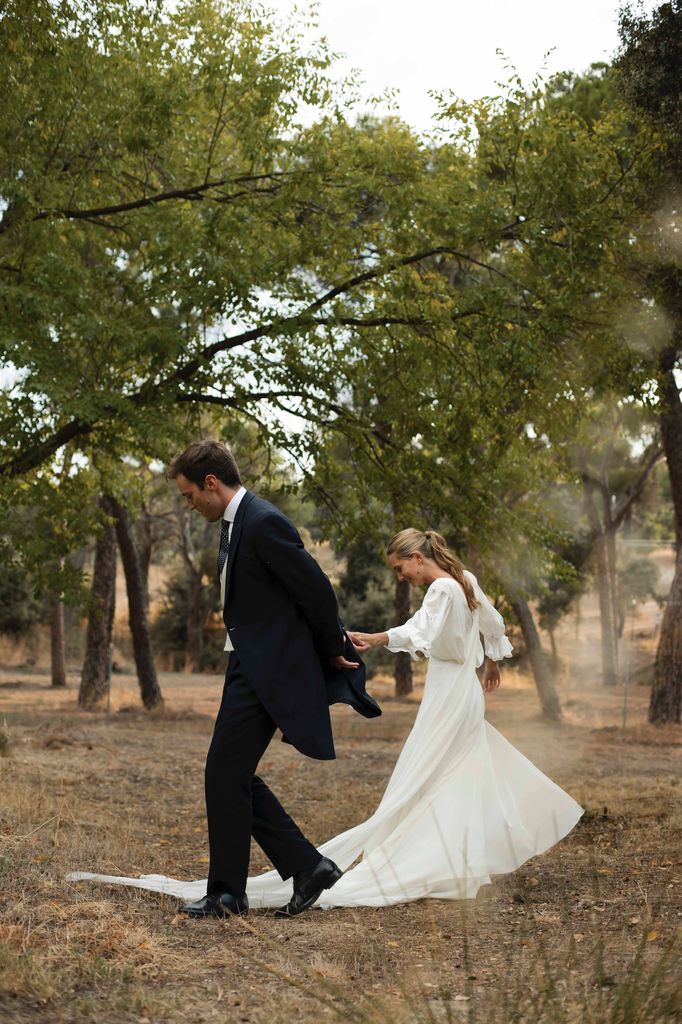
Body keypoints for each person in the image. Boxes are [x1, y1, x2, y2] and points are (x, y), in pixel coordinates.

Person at [69, 526, 582, 910]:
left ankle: (443, 858)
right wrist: (488, 661)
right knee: (451, 772)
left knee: (422, 777)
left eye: (400, 568)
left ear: (418, 557)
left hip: (450, 690)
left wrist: (377, 638)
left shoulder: (442, 588)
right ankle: (463, 859)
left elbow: (425, 630)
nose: (400, 575)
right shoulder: (464, 579)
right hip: (462, 688)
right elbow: (490, 623)